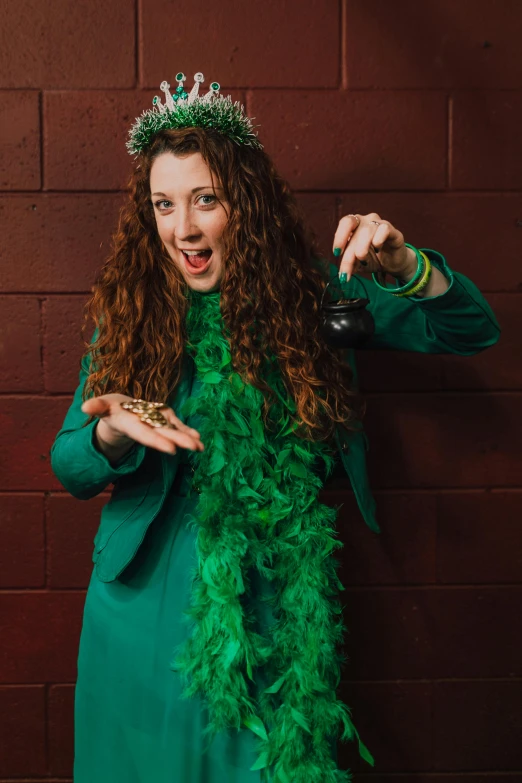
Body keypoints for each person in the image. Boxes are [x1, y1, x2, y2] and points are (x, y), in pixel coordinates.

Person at [50, 72, 501, 783]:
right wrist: (110, 435)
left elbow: (471, 329)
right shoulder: (131, 316)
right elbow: (69, 465)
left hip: (270, 606)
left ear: (247, 203)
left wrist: (407, 266)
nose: (184, 229)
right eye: (163, 205)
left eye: (206, 199)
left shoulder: (316, 298)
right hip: (140, 608)